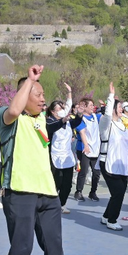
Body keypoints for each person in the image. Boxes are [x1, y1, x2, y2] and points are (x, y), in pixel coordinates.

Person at [0, 65, 77, 255]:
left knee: (54, 247)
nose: (43, 99)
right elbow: (13, 110)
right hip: (20, 193)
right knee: (22, 249)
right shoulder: (7, 118)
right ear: (23, 94)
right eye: (37, 93)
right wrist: (29, 81)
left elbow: (66, 117)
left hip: (48, 194)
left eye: (43, 94)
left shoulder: (42, 120)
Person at [96, 83, 128, 231]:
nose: (122, 109)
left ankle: (106, 216)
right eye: (119, 107)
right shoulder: (105, 124)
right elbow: (107, 115)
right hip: (108, 163)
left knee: (118, 193)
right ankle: (112, 220)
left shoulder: (123, 126)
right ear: (112, 109)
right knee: (118, 192)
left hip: (122, 165)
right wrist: (111, 96)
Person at [46, 84, 82, 213]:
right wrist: (62, 121)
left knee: (67, 184)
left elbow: (76, 122)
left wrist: (79, 114)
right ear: (52, 111)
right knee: (56, 182)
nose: (62, 110)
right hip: (54, 157)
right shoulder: (50, 121)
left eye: (63, 108)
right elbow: (52, 128)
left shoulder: (67, 121)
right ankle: (51, 204)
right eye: (59, 109)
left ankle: (62, 204)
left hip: (67, 156)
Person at [74, 98, 101, 202]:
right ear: (84, 107)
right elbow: (82, 132)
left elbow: (106, 116)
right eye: (90, 105)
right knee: (84, 171)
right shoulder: (80, 119)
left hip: (95, 148)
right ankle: (78, 192)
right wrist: (86, 146)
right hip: (84, 148)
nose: (92, 107)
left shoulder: (95, 116)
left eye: (93, 105)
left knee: (96, 172)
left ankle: (93, 192)